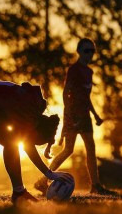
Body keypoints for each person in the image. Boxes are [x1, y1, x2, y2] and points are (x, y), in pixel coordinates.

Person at [34, 38, 116, 195]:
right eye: (86, 51)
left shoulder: (89, 72)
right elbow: (66, 92)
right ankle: (43, 181)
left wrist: (96, 115)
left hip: (85, 116)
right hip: (73, 115)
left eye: (92, 51)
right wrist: (69, 114)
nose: (90, 54)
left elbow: (87, 97)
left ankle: (95, 186)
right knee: (68, 150)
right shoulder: (74, 69)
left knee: (91, 149)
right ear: (79, 52)